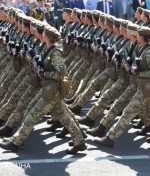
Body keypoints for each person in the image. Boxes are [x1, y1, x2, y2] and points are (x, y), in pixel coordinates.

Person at [0, 25, 87, 154]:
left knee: (32, 114)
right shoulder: (49, 50)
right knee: (64, 117)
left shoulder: (56, 52)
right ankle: (79, 141)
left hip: (52, 91)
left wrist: (44, 73)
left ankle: (16, 142)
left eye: (44, 34)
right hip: (48, 89)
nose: (42, 35)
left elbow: (63, 73)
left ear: (48, 37)